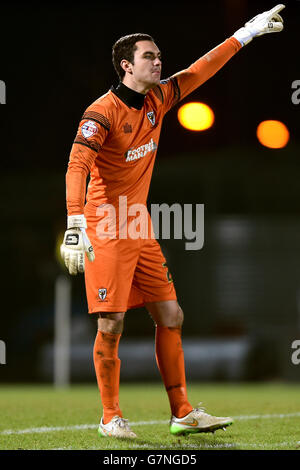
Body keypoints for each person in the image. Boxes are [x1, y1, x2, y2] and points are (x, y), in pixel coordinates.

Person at [61, 5, 285, 438]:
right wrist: (75, 220)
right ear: (127, 65)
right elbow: (76, 166)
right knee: (112, 322)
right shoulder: (101, 112)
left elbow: (201, 70)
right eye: (149, 56)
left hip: (138, 225)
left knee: (171, 313)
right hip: (106, 224)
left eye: (159, 55)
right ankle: (111, 418)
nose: (158, 61)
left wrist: (247, 32)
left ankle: (181, 412)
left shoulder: (159, 99)